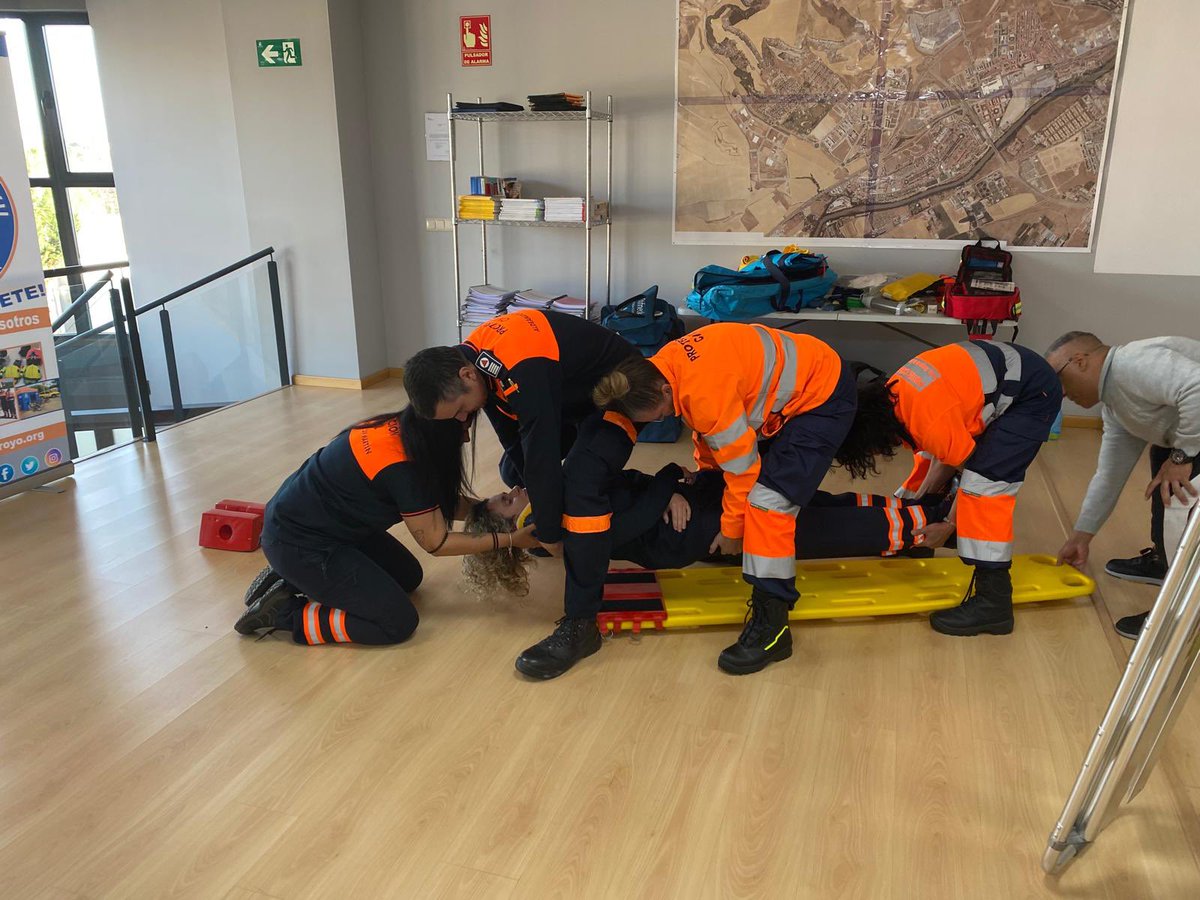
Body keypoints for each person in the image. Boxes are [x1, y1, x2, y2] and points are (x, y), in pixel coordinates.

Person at [592, 323, 857, 674]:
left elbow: (743, 467)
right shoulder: (663, 364)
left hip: (822, 398)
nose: (660, 420)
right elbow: (711, 432)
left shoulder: (702, 391)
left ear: (664, 390)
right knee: (764, 492)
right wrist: (708, 478)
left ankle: (773, 627)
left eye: (657, 414)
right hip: (807, 378)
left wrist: (732, 530)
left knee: (768, 504)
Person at [403, 309, 639, 677]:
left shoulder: (519, 368)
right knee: (512, 471)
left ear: (466, 376)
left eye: (462, 410)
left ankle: (582, 624)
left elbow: (542, 454)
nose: (463, 421)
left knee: (579, 487)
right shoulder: (477, 362)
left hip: (621, 394)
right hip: (573, 397)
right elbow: (514, 440)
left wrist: (551, 534)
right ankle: (575, 515)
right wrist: (537, 499)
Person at [234, 406, 539, 646]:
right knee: (396, 623)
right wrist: (508, 540)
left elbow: (441, 502)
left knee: (408, 576)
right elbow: (437, 542)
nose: (466, 438)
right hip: (297, 540)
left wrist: (489, 512)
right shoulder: (405, 470)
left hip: (321, 526)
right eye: (463, 427)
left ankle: (291, 577)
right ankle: (286, 613)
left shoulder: (405, 431)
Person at [835, 340, 1061, 637]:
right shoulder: (897, 395)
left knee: (986, 485)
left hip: (1031, 395)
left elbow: (968, 467)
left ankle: (993, 602)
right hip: (998, 380)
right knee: (927, 460)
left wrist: (949, 524)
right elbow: (944, 454)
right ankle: (916, 535)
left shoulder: (929, 419)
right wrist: (921, 500)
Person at [461, 464, 942, 593]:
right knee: (812, 527)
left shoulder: (556, 500)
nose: (516, 490)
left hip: (681, 511)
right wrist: (668, 480)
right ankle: (929, 526)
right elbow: (631, 518)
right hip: (683, 531)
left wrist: (666, 485)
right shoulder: (551, 526)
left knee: (808, 504)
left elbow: (623, 481)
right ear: (513, 525)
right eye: (507, 500)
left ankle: (915, 511)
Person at [1049, 332, 1200, 639]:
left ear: (1079, 361)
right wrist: (1081, 536)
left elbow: (1197, 387)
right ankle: (1166, 563)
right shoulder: (1116, 407)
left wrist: (1183, 455)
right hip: (1184, 435)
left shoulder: (1132, 363)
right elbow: (1108, 476)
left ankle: (1183, 615)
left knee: (1181, 512)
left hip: (1193, 438)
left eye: (1060, 380)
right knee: (1165, 482)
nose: (1061, 393)